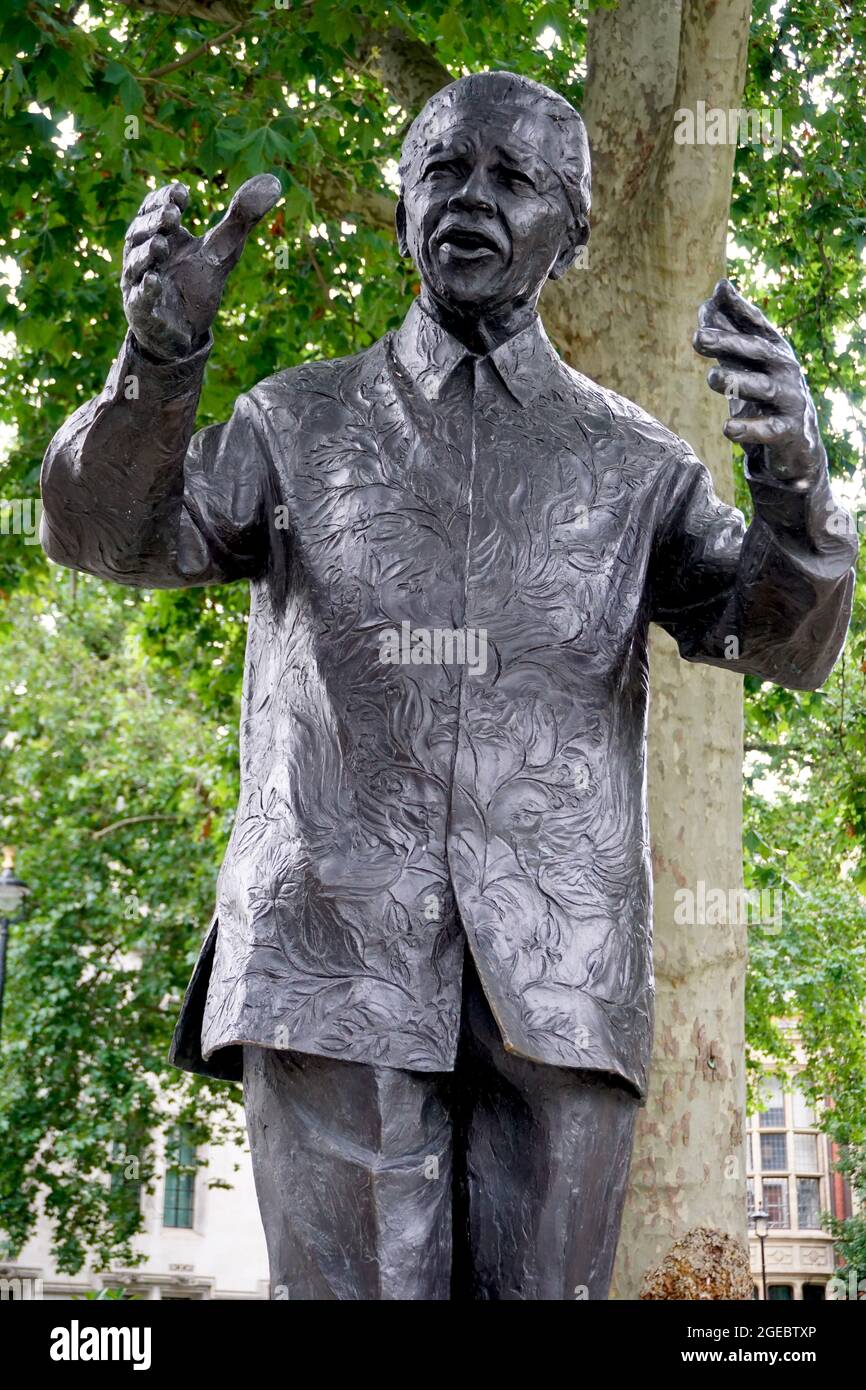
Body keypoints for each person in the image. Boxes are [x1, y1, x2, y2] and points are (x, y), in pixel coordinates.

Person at [40, 71, 857, 1299]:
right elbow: (110, 538)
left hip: (562, 975)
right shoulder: (292, 419)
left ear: (573, 230)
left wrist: (793, 489)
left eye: (513, 178)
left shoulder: (634, 463)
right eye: (443, 169)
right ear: (405, 195)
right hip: (330, 952)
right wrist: (160, 365)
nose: (470, 199)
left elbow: (780, 643)